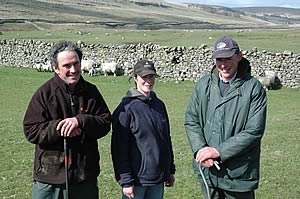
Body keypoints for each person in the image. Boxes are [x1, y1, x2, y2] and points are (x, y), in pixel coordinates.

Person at [23, 41, 112, 199]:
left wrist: (81, 121)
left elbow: (105, 122)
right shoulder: (44, 94)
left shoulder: (91, 92)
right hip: (50, 178)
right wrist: (59, 127)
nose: (73, 70)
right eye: (67, 65)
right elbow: (31, 130)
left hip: (84, 176)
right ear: (56, 68)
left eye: (76, 63)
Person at [185, 36, 267, 199]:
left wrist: (217, 151)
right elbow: (191, 119)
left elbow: (254, 131)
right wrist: (201, 150)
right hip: (209, 173)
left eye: (228, 58)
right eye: (219, 59)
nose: (223, 64)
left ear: (239, 56)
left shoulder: (253, 88)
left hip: (238, 175)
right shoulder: (204, 84)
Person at [111, 60, 176, 199]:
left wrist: (169, 169)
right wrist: (126, 181)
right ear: (135, 78)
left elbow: (166, 139)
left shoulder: (159, 105)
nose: (148, 81)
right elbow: (119, 149)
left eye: (151, 77)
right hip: (136, 181)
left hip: (158, 179)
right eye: (144, 77)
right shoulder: (125, 110)